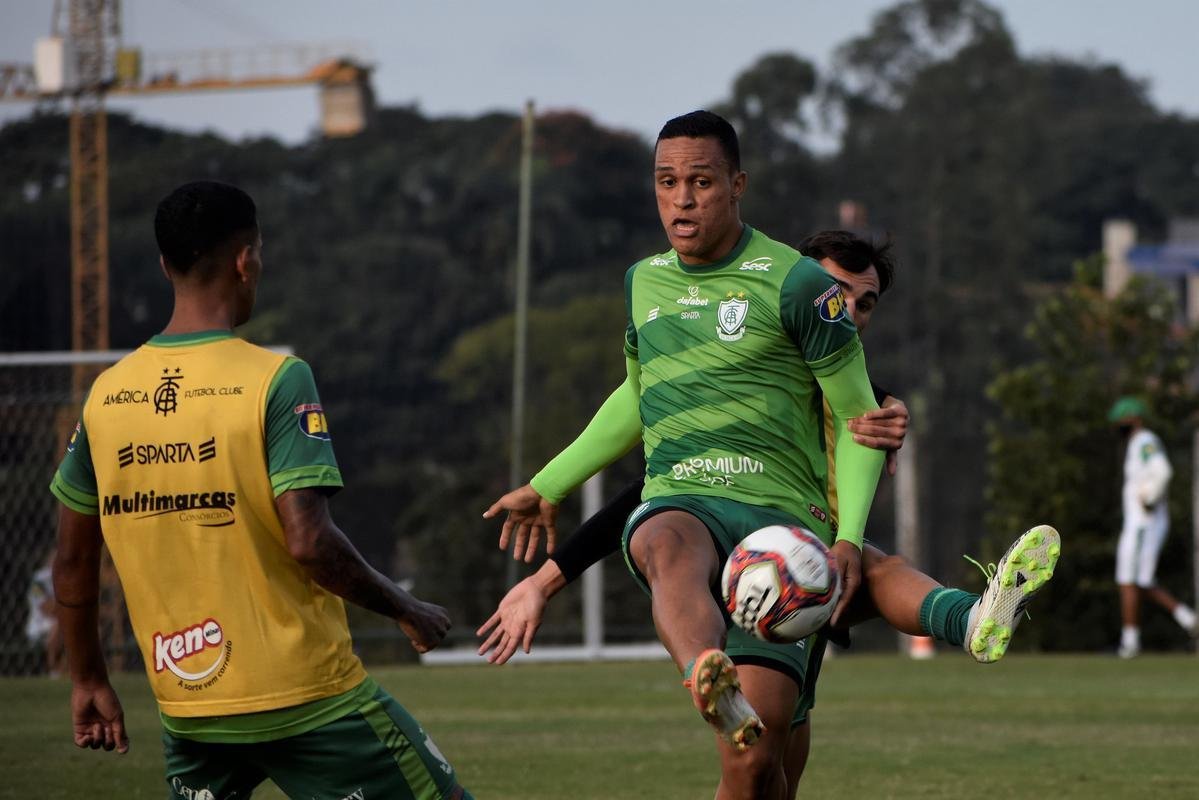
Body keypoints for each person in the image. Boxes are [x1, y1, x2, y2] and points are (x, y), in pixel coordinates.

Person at [480, 226, 1060, 797]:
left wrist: (881, 433)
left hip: (802, 575)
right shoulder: (744, 370)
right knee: (754, 764)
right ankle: (710, 667)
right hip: (758, 570)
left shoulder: (858, 397)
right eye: (834, 293)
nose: (847, 310)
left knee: (776, 776)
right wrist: (545, 574)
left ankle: (977, 618)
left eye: (865, 303)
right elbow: (645, 487)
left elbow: (865, 408)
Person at [49, 181, 471, 800]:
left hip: (189, 707)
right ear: (246, 261)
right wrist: (406, 607)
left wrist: (87, 678)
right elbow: (309, 542)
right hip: (307, 698)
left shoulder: (106, 396)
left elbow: (72, 560)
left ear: (166, 265)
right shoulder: (276, 378)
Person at [1109, 396, 1197, 658]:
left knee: (1128, 579)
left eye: (1122, 421)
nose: (1118, 426)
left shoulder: (1144, 441)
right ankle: (1188, 619)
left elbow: (1163, 471)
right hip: (1141, 524)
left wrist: (1149, 498)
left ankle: (1130, 642)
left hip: (1143, 524)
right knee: (1141, 581)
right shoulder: (1139, 443)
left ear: (1135, 419)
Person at [25, 551, 65, 676]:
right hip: (41, 625)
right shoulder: (39, 580)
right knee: (58, 625)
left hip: (63, 620)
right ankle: (54, 671)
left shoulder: (68, 577)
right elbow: (47, 608)